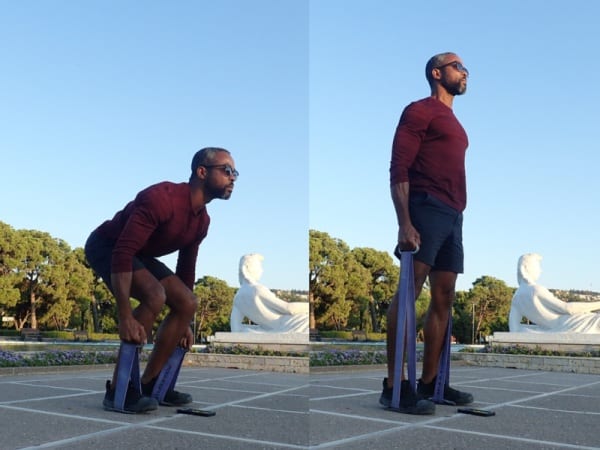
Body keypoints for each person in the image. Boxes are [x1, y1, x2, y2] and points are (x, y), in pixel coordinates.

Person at [85, 147, 238, 413]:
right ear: (202, 172)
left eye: (235, 173)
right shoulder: (161, 198)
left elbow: (186, 270)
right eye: (227, 171)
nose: (233, 178)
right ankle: (120, 391)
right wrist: (125, 316)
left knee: (188, 302)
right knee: (154, 294)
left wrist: (183, 323)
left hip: (138, 254)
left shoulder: (202, 221)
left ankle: (152, 384)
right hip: (107, 246)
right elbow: (123, 252)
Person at [380, 52, 474, 415]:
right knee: (409, 289)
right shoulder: (419, 110)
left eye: (465, 68)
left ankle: (432, 382)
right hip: (425, 204)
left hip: (453, 212)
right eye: (457, 66)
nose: (465, 72)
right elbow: (398, 165)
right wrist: (404, 221)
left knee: (445, 296)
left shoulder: (455, 121)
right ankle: (394, 387)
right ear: (437, 73)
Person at [509, 253, 600, 333]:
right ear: (524, 268)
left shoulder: (516, 297)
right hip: (570, 324)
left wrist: (539, 330)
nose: (541, 270)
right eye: (538, 266)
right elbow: (568, 308)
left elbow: (514, 329)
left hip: (556, 327)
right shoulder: (536, 290)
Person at [230, 253, 309, 333]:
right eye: (259, 266)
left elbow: (235, 328)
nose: (262, 270)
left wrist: (256, 329)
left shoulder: (238, 297)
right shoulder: (258, 290)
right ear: (246, 268)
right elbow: (289, 308)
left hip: (270, 328)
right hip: (289, 324)